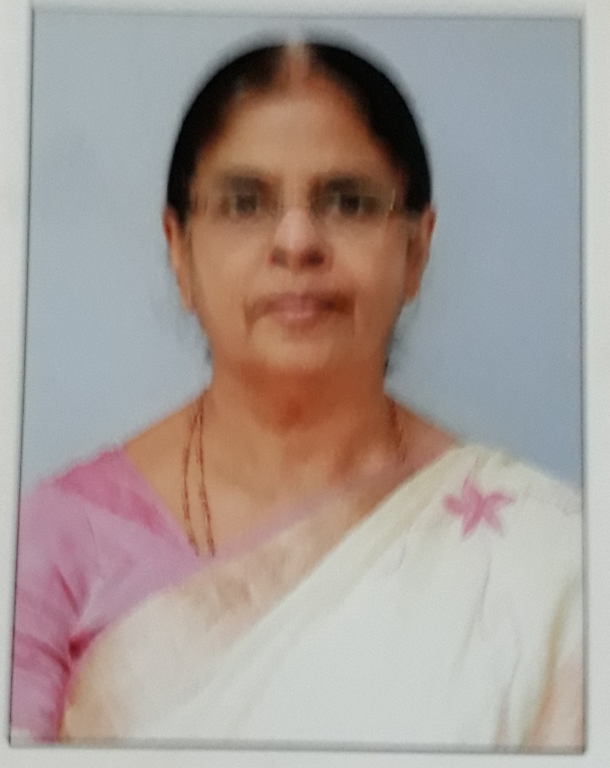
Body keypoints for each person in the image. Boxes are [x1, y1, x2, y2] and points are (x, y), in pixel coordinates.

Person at [10, 40, 582, 748]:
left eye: (348, 202)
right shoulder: (49, 548)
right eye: (244, 203)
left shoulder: (551, 557)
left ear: (416, 249)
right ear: (178, 249)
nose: (297, 241)